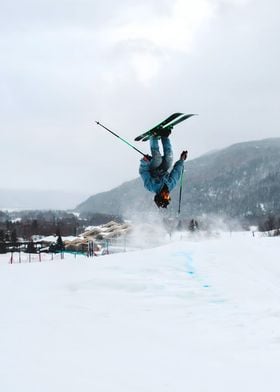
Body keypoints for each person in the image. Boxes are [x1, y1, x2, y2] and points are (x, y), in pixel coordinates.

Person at [139, 129, 188, 208]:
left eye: (166, 197)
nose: (167, 195)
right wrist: (182, 160)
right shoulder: (170, 185)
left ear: (160, 196)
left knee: (158, 159)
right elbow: (177, 172)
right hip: (163, 169)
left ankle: (153, 137)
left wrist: (145, 161)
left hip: (152, 168)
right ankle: (164, 136)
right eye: (168, 197)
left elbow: (143, 172)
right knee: (169, 158)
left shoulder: (151, 186)